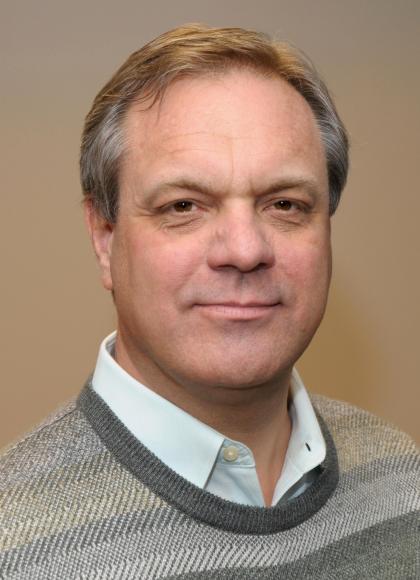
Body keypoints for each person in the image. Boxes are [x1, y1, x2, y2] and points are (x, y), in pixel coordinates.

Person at [0, 24, 418, 579]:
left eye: (285, 204)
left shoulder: (402, 478)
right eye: (183, 206)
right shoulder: (15, 547)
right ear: (104, 238)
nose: (245, 250)